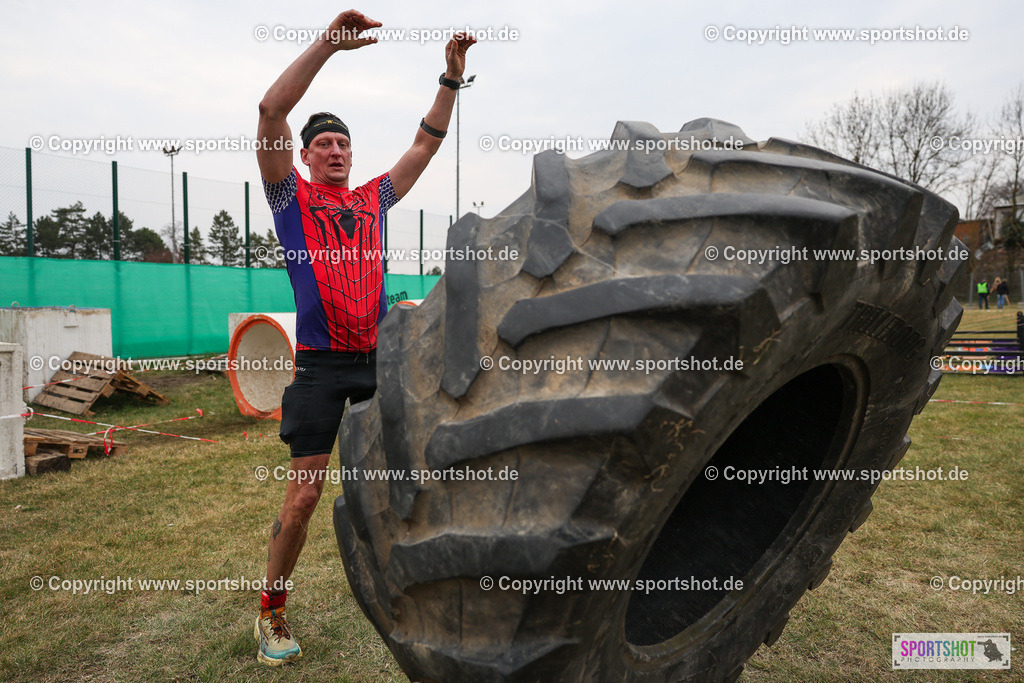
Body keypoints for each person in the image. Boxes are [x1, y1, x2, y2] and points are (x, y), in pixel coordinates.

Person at [253, 10, 475, 666]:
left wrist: (450, 78)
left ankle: (429, 585)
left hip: (379, 358)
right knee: (304, 493)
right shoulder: (288, 198)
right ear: (304, 154)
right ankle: (270, 610)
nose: (337, 150)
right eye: (324, 143)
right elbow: (269, 109)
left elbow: (425, 145)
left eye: (344, 143)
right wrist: (329, 44)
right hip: (321, 367)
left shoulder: (373, 198)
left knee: (418, 470)